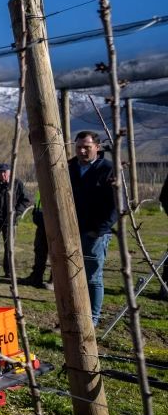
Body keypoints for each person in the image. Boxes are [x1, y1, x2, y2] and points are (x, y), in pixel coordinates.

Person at [69, 130, 117, 326]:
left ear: (97, 147)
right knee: (72, 275)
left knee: (92, 277)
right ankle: (75, 313)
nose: (82, 151)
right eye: (79, 147)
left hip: (95, 233)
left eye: (87, 147)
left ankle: (93, 319)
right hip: (71, 230)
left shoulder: (107, 169)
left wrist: (99, 230)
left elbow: (116, 204)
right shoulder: (70, 167)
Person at [0, 163, 31, 278]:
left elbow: (25, 200)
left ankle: (8, 271)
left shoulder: (17, 184)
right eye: (0, 172)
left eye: (5, 172)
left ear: (10, 172)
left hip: (10, 222)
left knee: (9, 247)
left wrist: (16, 213)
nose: (3, 174)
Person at [23, 191, 51, 289]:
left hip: (55, 223)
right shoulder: (43, 180)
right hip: (41, 223)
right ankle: (36, 277)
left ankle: (54, 280)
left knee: (56, 253)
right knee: (39, 251)